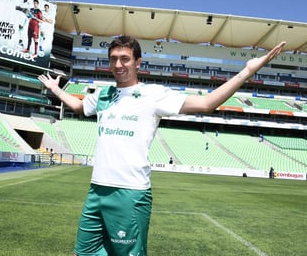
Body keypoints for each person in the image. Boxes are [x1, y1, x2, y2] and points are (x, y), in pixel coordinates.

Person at [38, 36, 285, 256]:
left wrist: (248, 70)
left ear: (138, 63)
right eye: (113, 59)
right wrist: (56, 90)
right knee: (83, 252)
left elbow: (206, 104)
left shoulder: (153, 95)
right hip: (97, 191)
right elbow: (80, 107)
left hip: (130, 193)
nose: (118, 65)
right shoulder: (103, 95)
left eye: (125, 59)